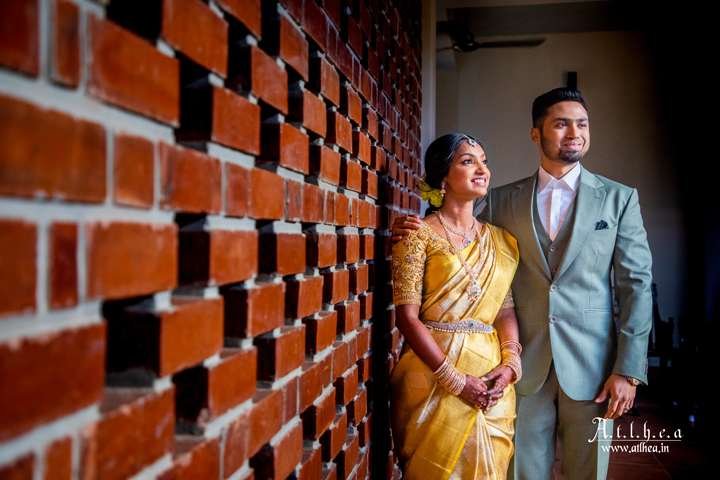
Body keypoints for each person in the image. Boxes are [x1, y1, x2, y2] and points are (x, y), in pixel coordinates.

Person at [392, 87, 653, 480]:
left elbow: (637, 285)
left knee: (589, 473)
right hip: (520, 367)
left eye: (582, 124)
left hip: (596, 368)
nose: (574, 133)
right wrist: (409, 225)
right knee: (521, 473)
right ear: (536, 133)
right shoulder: (500, 200)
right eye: (561, 124)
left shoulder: (619, 199)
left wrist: (628, 369)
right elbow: (455, 235)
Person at [390, 133, 522, 479]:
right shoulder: (415, 235)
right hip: (432, 376)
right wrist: (455, 380)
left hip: (491, 381)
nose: (482, 170)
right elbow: (406, 318)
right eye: (467, 161)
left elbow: (505, 309)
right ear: (442, 178)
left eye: (484, 162)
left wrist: (511, 363)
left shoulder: (501, 241)